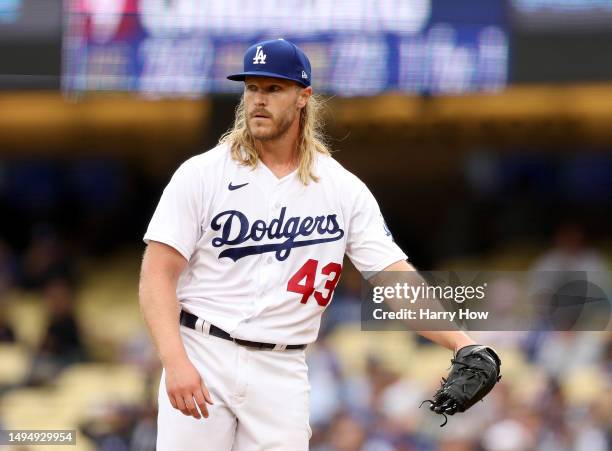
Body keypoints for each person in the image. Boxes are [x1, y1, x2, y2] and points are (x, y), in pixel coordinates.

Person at [139, 39, 484, 450]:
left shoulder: (341, 189)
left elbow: (394, 278)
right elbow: (157, 273)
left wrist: (462, 342)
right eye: (252, 87)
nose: (258, 100)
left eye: (273, 89)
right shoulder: (202, 174)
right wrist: (175, 361)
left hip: (282, 366)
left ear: (303, 97)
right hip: (203, 350)